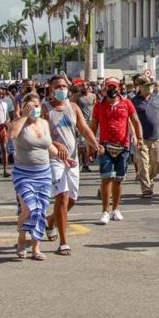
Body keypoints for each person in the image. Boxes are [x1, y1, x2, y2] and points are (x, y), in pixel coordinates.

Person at [44, 76, 99, 255]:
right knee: (63, 196)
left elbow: (84, 129)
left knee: (73, 198)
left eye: (64, 86)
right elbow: (40, 135)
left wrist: (95, 144)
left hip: (73, 159)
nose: (61, 89)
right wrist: (55, 144)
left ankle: (51, 220)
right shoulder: (45, 109)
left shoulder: (73, 107)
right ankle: (64, 241)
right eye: (57, 86)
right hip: (54, 159)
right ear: (51, 89)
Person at [8, 94, 62, 261]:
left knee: (41, 210)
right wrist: (24, 115)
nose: (35, 109)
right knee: (29, 208)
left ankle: (36, 246)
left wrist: (64, 157)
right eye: (31, 106)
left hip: (43, 172)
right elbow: (12, 135)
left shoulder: (44, 123)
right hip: (24, 173)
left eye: (37, 106)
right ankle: (21, 240)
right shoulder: (19, 123)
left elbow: (49, 145)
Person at [91, 76, 142, 224]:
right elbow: (93, 126)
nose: (111, 90)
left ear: (118, 88)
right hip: (105, 145)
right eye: (109, 87)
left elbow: (135, 121)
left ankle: (116, 209)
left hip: (123, 145)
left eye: (114, 87)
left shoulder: (126, 103)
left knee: (119, 180)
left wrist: (139, 138)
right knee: (107, 178)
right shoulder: (99, 105)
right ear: (104, 88)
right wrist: (91, 144)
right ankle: (105, 211)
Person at [131, 76, 159, 198]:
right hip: (141, 138)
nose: (150, 87)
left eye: (151, 85)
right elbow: (129, 119)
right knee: (143, 163)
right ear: (140, 87)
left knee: (158, 163)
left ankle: (148, 178)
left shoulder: (157, 98)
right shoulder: (133, 101)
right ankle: (146, 188)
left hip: (157, 136)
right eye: (147, 85)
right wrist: (133, 135)